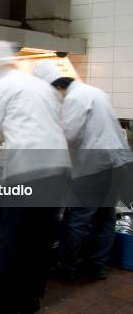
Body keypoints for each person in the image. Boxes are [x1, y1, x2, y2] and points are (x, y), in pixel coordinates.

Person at [0, 43, 71, 314]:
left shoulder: (0, 87)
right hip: (58, 170)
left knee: (15, 241)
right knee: (38, 240)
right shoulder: (41, 86)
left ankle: (7, 307)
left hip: (29, 173)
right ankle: (32, 298)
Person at [33, 60, 133, 280]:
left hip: (96, 166)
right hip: (117, 163)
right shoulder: (94, 91)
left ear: (57, 88)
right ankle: (97, 267)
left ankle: (65, 267)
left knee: (75, 218)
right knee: (104, 218)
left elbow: (70, 135)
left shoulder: (74, 98)